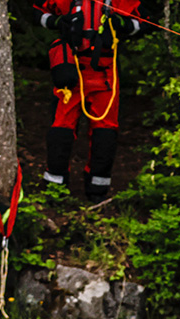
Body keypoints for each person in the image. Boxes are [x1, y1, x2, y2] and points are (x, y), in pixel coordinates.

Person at [36, 0, 145, 201]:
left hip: (105, 68)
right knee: (61, 126)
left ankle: (98, 188)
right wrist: (60, 21)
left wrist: (119, 24)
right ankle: (55, 187)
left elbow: (141, 23)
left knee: (105, 130)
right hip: (70, 64)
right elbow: (39, 13)